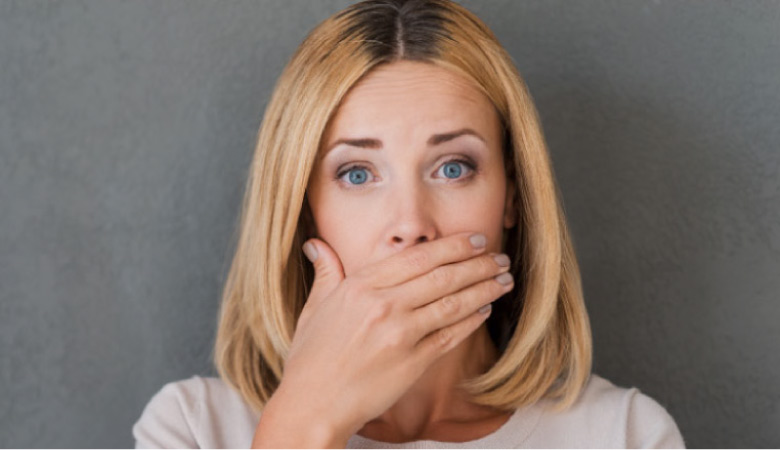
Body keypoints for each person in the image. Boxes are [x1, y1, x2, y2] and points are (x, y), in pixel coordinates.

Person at [132, 0, 686, 448]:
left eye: (452, 168)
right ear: (303, 215)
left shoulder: (623, 435)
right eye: (356, 173)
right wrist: (303, 422)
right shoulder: (193, 428)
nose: (411, 225)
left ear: (512, 200)